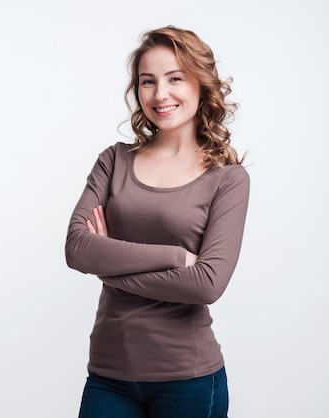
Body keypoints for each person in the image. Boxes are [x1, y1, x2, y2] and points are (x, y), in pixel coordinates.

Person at [65, 26, 249, 418]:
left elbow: (206, 283)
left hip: (189, 379)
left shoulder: (227, 179)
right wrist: (174, 256)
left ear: (202, 85)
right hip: (108, 375)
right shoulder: (114, 161)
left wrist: (107, 266)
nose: (160, 94)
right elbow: (77, 248)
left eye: (175, 78)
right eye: (148, 82)